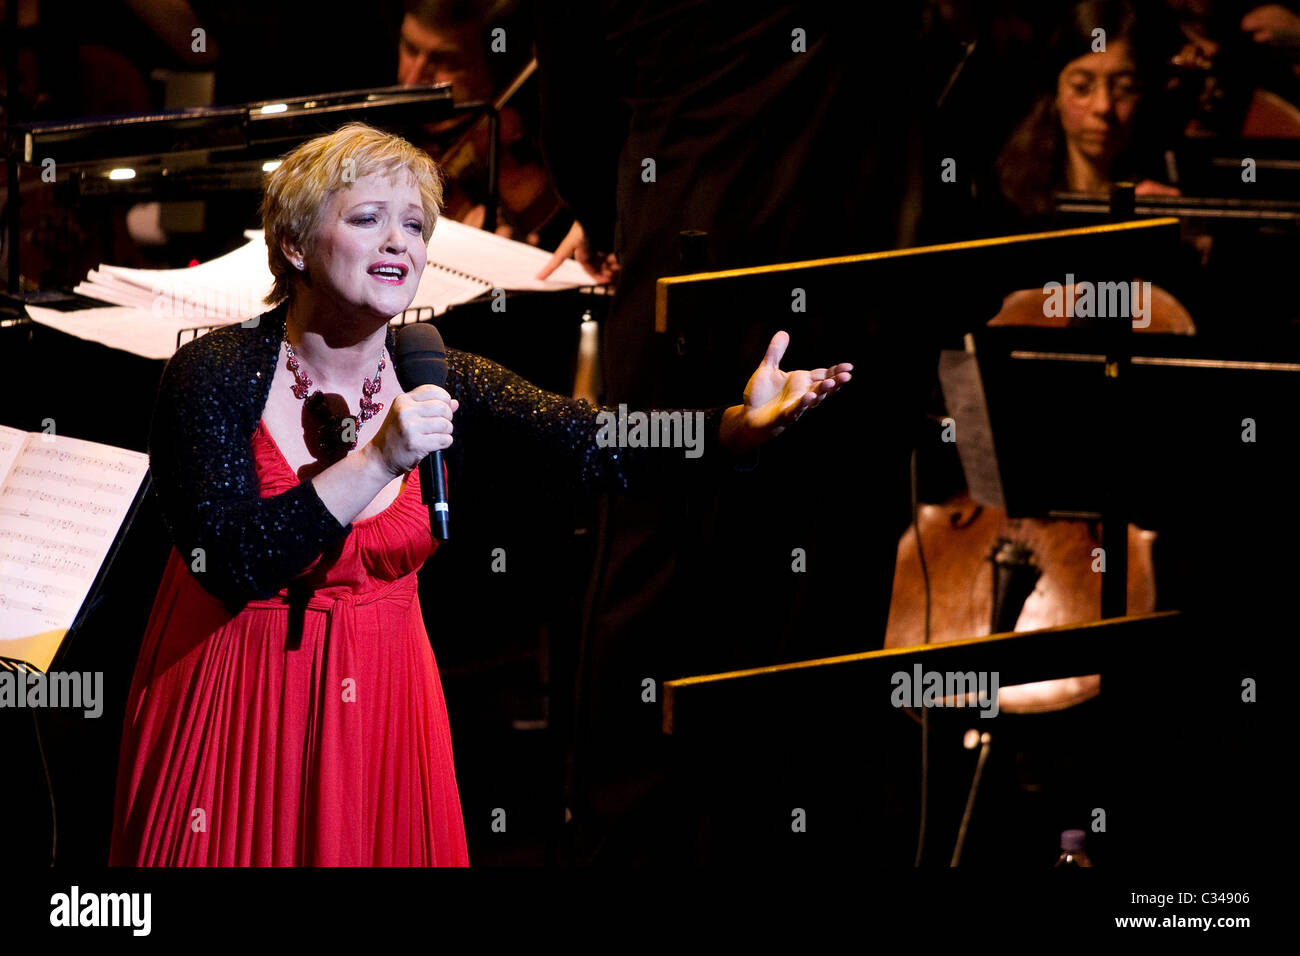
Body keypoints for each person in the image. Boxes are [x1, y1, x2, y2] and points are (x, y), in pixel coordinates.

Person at [107, 122, 852, 865]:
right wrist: (378, 460)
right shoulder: (214, 372)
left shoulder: (436, 372)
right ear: (296, 246)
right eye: (367, 219)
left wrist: (728, 429)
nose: (399, 243)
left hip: (385, 700)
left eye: (414, 226)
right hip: (241, 699)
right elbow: (229, 559)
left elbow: (591, 442)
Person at [994, 0, 1181, 229]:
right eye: (1081, 87)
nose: (1104, 106)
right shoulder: (1006, 199)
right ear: (1055, 93)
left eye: (1125, 87)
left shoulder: (1167, 185)